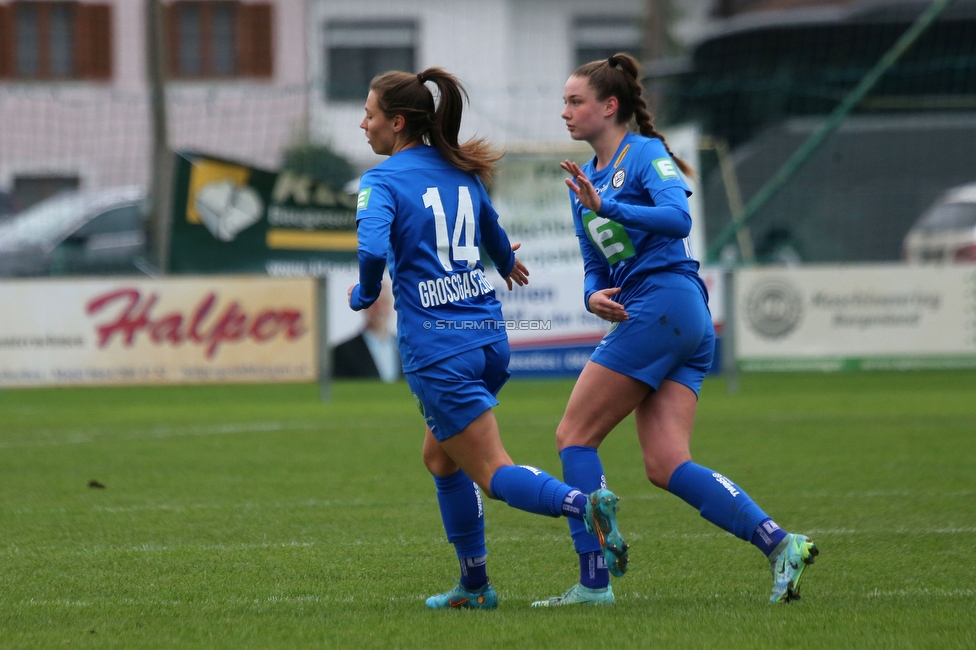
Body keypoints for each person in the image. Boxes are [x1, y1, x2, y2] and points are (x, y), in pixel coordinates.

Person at [531, 53, 818, 607]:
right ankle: (780, 544)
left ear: (609, 107)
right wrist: (591, 294)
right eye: (564, 102)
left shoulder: (643, 154)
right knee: (666, 464)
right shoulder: (583, 180)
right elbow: (595, 260)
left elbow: (678, 219)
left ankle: (594, 585)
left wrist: (609, 205)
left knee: (574, 437)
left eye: (575, 101)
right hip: (673, 313)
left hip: (662, 302)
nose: (564, 112)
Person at [348, 66, 629, 609]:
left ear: (397, 122)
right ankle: (474, 586)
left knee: (493, 471)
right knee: (440, 459)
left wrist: (364, 294)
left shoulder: (382, 181)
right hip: (487, 340)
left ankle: (583, 505)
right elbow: (494, 233)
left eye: (370, 113)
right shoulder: (460, 173)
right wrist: (506, 265)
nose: (363, 124)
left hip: (439, 350)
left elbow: (372, 253)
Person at [333, 282, 401, 382]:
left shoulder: (406, 348)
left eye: (384, 301)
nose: (380, 308)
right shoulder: (343, 352)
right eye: (373, 302)